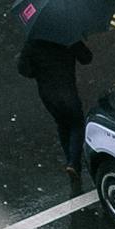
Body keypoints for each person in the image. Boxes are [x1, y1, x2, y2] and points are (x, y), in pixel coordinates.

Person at [17, 38, 93, 191]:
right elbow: (86, 58)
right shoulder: (66, 37)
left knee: (62, 125)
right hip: (67, 90)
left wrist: (38, 72)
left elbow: (23, 69)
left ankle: (70, 162)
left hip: (47, 94)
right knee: (77, 124)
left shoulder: (33, 42)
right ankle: (73, 162)